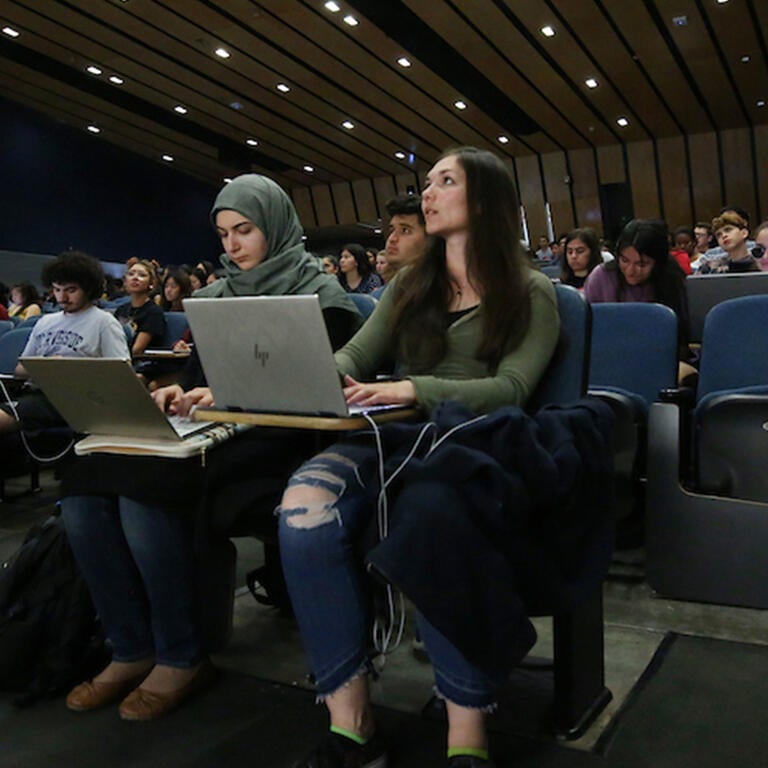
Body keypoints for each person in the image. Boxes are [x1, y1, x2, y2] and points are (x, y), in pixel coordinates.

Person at [278, 147, 560, 768]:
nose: (427, 193)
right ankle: (350, 726)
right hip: (393, 438)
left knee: (434, 519)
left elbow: (512, 391)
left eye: (446, 182)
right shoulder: (411, 282)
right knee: (303, 511)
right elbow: (353, 356)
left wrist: (415, 388)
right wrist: (285, 380)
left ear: (483, 201)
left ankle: (466, 735)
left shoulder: (531, 290)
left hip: (470, 448)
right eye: (427, 182)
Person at [59, 174, 361, 722]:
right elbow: (200, 377)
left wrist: (226, 394)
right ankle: (131, 647)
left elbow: (323, 387)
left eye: (244, 230)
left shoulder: (323, 295)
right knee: (83, 484)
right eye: (223, 234)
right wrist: (180, 389)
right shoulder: (216, 296)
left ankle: (182, 655)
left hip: (283, 440)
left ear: (274, 224)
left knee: (145, 489)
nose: (232, 245)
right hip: (214, 434)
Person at [0, 251, 129, 434]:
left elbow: (121, 374)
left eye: (71, 290)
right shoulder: (45, 322)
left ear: (88, 288)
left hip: (75, 399)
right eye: (57, 290)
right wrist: (44, 367)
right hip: (37, 391)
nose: (62, 298)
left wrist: (69, 368)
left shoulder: (104, 323)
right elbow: (20, 369)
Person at [584, 219, 690, 365]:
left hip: (659, 359)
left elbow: (680, 338)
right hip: (609, 358)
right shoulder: (601, 277)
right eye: (624, 260)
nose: (631, 271)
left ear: (658, 263)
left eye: (642, 264)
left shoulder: (671, 279)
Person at [114, 260, 166, 357]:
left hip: (139, 364)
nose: (135, 278)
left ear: (151, 284)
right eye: (131, 274)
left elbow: (137, 350)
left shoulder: (154, 312)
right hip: (117, 357)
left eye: (142, 275)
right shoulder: (121, 309)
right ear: (125, 281)